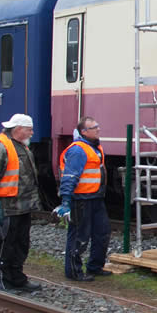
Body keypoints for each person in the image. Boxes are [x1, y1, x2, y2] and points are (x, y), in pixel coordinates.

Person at [0, 113, 42, 294]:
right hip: (7, 206)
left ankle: (17, 278)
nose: (32, 133)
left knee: (21, 244)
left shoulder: (19, 146)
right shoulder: (1, 147)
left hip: (22, 206)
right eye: (29, 129)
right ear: (18, 129)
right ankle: (1, 281)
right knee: (6, 244)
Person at [57, 116, 112, 282]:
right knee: (79, 236)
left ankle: (95, 266)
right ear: (84, 131)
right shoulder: (78, 150)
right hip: (81, 200)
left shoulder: (94, 147)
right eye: (94, 127)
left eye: (97, 126)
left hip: (95, 197)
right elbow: (69, 177)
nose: (98, 129)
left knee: (102, 233)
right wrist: (66, 201)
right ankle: (73, 271)